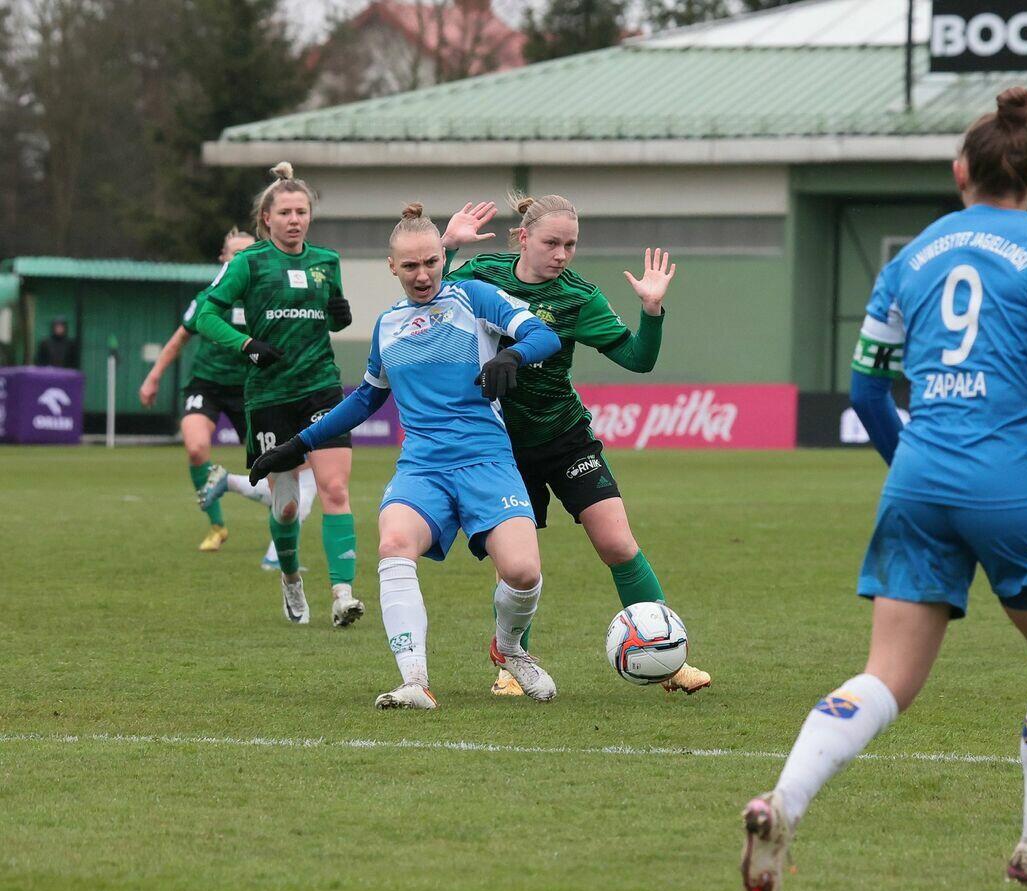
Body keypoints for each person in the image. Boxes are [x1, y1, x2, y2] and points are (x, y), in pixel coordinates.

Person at [740, 87, 1027, 891]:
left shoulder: (908, 259)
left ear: (959, 171)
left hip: (920, 475)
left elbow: (866, 390)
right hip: (1013, 476)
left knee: (887, 675)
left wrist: (913, 465)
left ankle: (784, 798)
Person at [248, 203, 562, 708]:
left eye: (431, 262)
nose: (422, 275)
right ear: (392, 266)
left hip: (486, 459)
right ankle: (414, 680)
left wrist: (511, 353)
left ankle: (508, 649)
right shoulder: (388, 325)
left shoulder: (474, 297)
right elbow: (365, 399)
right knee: (394, 543)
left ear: (443, 257)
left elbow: (544, 335)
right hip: (422, 467)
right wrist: (298, 444)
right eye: (410, 265)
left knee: (523, 573)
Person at [440, 194, 711, 697]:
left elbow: (638, 359)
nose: (561, 254)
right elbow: (427, 294)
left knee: (618, 544)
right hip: (500, 446)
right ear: (523, 238)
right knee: (517, 566)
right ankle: (513, 668)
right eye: (551, 243)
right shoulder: (482, 274)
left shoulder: (579, 297)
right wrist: (448, 247)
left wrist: (652, 310)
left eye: (570, 245)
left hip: (565, 436)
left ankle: (670, 659)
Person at [195, 162, 364, 627]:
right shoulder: (248, 263)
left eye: (301, 212)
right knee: (286, 507)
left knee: (334, 488)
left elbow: (331, 318)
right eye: (285, 212)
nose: (294, 220)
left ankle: (343, 594)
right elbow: (206, 316)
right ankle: (290, 579)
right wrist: (246, 344)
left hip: (321, 388)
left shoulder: (326, 261)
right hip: (270, 396)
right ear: (266, 218)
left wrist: (339, 316)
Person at [139, 227, 316, 557]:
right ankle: (217, 525)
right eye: (235, 253)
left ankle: (278, 537)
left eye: (247, 253)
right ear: (223, 258)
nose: (241, 259)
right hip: (206, 384)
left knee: (279, 468)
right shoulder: (208, 298)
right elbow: (179, 340)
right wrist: (153, 377)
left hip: (251, 390)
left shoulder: (264, 298)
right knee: (196, 448)